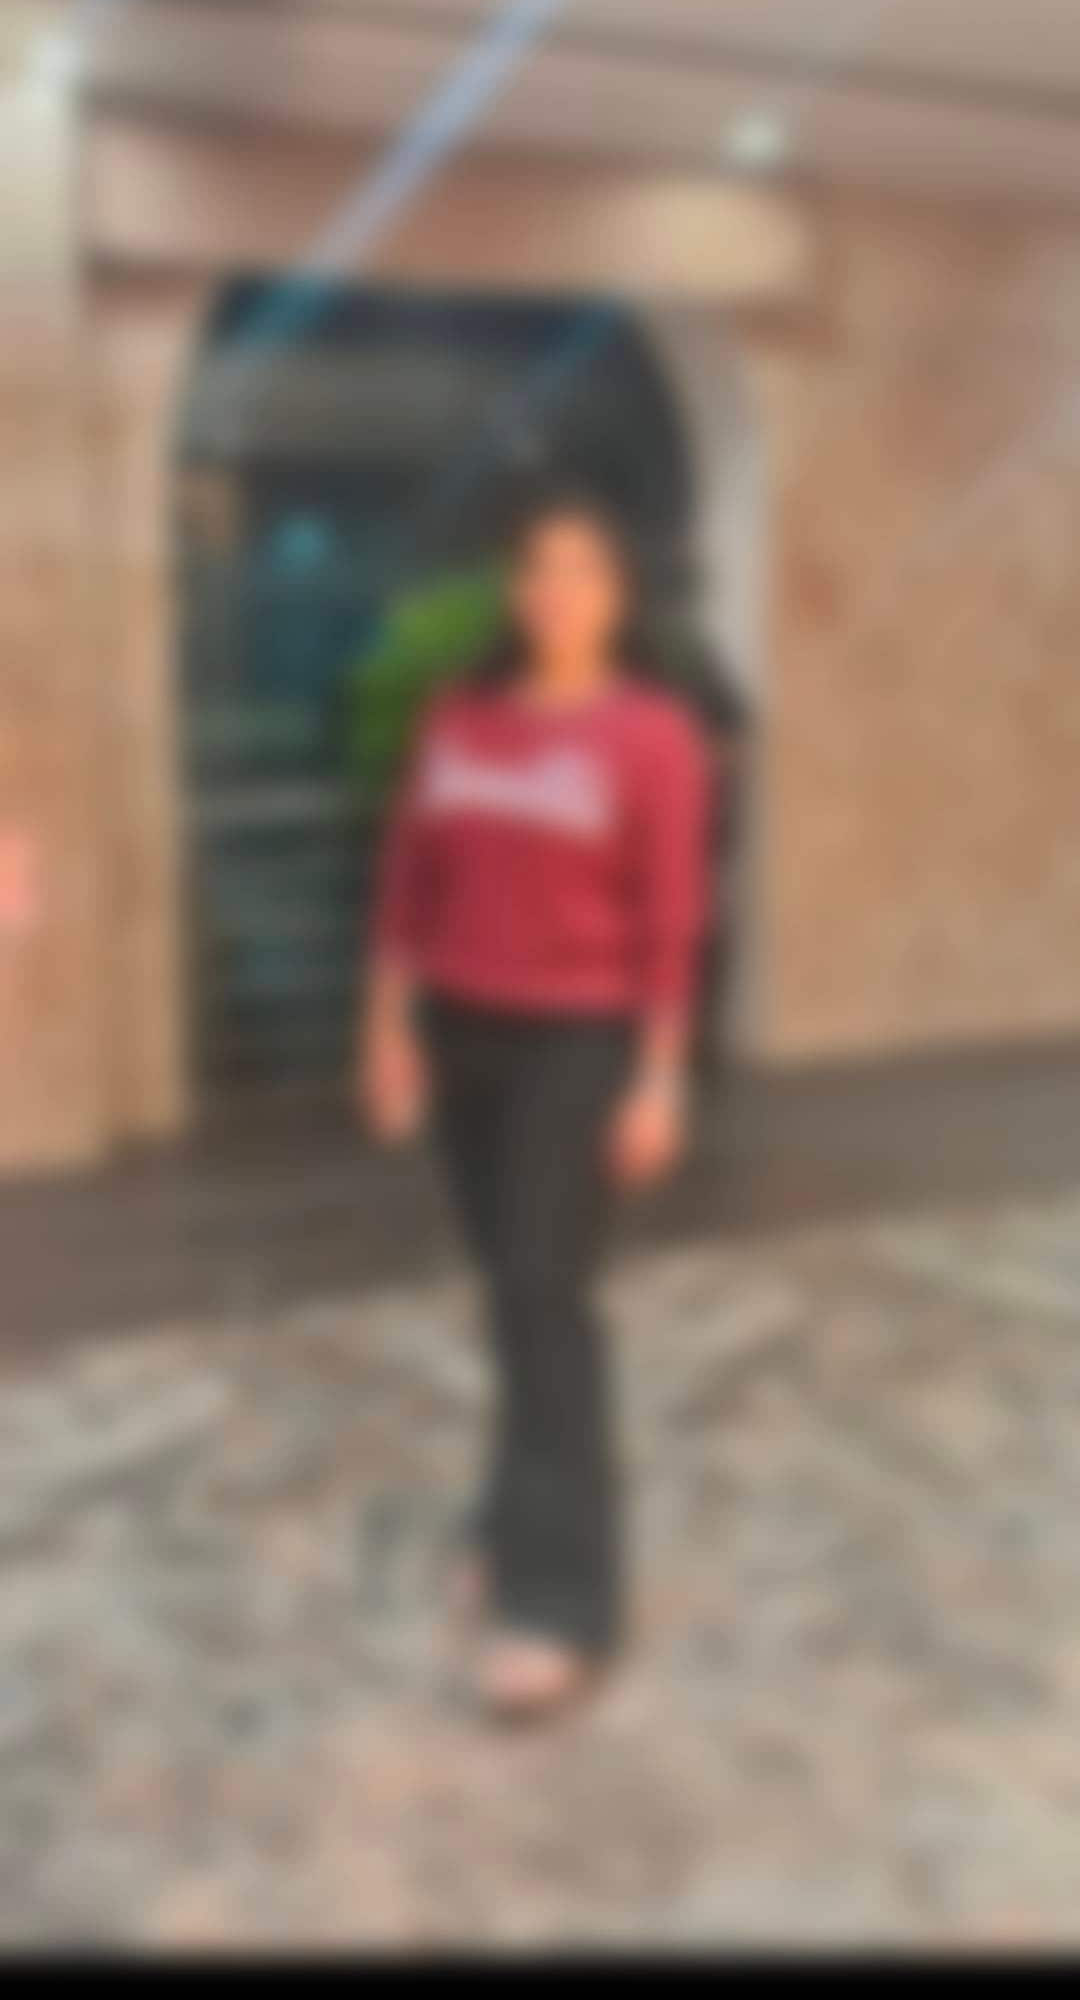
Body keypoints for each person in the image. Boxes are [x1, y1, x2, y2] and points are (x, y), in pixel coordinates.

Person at [356, 488, 714, 1722]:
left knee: (543, 1294)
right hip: (461, 1031)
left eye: (582, 570)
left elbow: (673, 919)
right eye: (536, 567)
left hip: (581, 1040)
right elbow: (408, 877)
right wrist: (386, 1023)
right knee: (511, 1292)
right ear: (514, 586)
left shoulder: (652, 733)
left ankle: (564, 1598)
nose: (555, 590)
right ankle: (509, 1518)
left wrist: (660, 1073)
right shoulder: (459, 715)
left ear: (620, 593)